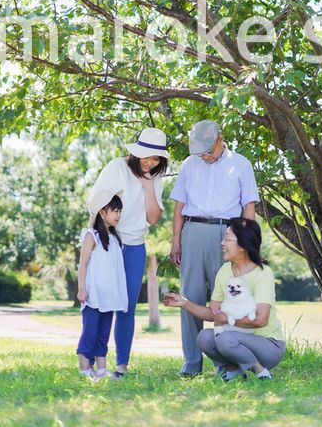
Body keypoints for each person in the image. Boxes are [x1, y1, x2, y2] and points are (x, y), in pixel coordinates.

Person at [169, 120, 260, 377]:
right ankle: (191, 364)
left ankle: (227, 364)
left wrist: (245, 243)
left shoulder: (240, 164)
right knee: (190, 297)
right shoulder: (189, 164)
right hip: (193, 232)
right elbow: (179, 207)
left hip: (228, 233)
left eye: (208, 151)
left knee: (228, 299)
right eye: (200, 152)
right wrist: (176, 240)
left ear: (221, 138)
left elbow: (249, 208)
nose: (204, 157)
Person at [87, 127, 168, 377]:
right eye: (146, 156)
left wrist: (147, 187)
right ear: (136, 152)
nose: (150, 162)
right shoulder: (116, 167)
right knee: (100, 304)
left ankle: (122, 365)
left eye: (156, 159)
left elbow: (153, 218)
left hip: (134, 247)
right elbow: (94, 205)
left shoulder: (155, 178)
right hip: (108, 243)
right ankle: (91, 363)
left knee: (126, 306)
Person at [164, 217, 286, 381]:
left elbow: (260, 320)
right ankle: (235, 370)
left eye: (228, 239)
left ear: (243, 245)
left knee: (225, 337)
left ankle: (260, 370)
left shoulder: (263, 273)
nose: (222, 243)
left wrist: (228, 320)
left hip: (268, 345)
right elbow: (214, 313)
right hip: (235, 340)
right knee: (204, 337)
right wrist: (184, 303)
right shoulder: (225, 271)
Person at [76, 191, 128, 380]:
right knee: (90, 332)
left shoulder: (115, 237)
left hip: (109, 296)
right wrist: (82, 288)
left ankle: (101, 369)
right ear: (102, 212)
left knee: (103, 333)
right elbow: (82, 264)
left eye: (120, 212)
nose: (118, 215)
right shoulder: (92, 235)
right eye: (115, 211)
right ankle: (84, 369)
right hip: (93, 295)